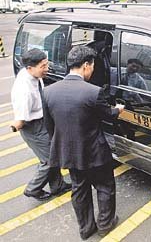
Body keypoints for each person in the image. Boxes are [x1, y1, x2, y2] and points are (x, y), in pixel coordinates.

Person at [42, 45, 125, 240]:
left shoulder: (48, 92)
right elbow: (107, 115)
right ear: (86, 65)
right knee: (105, 187)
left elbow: (49, 127)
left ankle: (86, 229)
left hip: (70, 153)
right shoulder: (93, 92)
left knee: (79, 190)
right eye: (93, 66)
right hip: (95, 152)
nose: (93, 70)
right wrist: (118, 110)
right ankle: (105, 224)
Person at [10, 48, 71, 201]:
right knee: (49, 160)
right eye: (43, 66)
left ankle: (57, 185)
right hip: (33, 127)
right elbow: (21, 119)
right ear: (30, 68)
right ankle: (33, 189)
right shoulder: (24, 90)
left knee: (52, 154)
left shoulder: (31, 74)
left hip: (42, 121)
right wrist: (15, 125)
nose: (47, 69)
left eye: (46, 64)